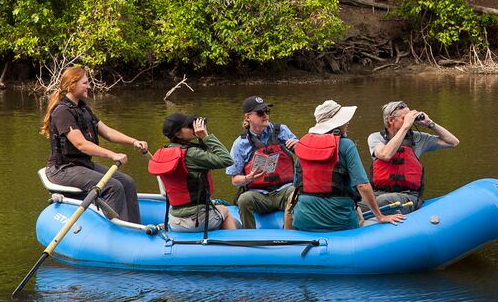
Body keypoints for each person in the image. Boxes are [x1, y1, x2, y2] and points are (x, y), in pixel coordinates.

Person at [40, 66, 148, 223]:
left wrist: (134, 141)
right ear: (72, 85)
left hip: (82, 165)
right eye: (85, 83)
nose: (89, 86)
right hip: (63, 169)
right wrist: (112, 154)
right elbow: (81, 144)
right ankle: (118, 230)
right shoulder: (62, 111)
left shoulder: (83, 109)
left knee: (127, 182)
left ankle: (133, 227)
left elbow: (108, 132)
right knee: (113, 186)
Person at [290, 100, 405, 232]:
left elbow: (297, 184)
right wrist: (380, 216)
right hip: (339, 220)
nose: (348, 123)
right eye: (344, 120)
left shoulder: (303, 145)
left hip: (303, 219)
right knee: (359, 214)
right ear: (337, 125)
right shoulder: (346, 145)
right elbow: (362, 186)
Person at [149, 113, 238, 232]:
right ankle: (236, 246)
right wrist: (206, 137)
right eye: (189, 126)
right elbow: (227, 160)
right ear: (178, 133)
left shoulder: (163, 152)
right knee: (225, 211)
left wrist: (201, 140)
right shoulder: (191, 154)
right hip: (195, 220)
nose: (194, 128)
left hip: (175, 220)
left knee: (216, 210)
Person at [367, 100, 460, 214]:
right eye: (404, 118)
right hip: (378, 192)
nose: (409, 121)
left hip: (408, 195)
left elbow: (453, 142)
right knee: (356, 202)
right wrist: (405, 126)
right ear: (390, 120)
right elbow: (386, 154)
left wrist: (430, 123)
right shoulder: (376, 138)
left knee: (383, 201)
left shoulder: (418, 138)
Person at [226, 95, 298, 228]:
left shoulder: (281, 130)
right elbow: (234, 180)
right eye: (260, 113)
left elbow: (303, 154)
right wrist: (249, 177)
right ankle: (250, 238)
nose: (265, 115)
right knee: (244, 199)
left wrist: (298, 146)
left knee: (297, 192)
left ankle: (289, 235)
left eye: (267, 111)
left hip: (285, 190)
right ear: (247, 117)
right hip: (259, 195)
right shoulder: (240, 144)